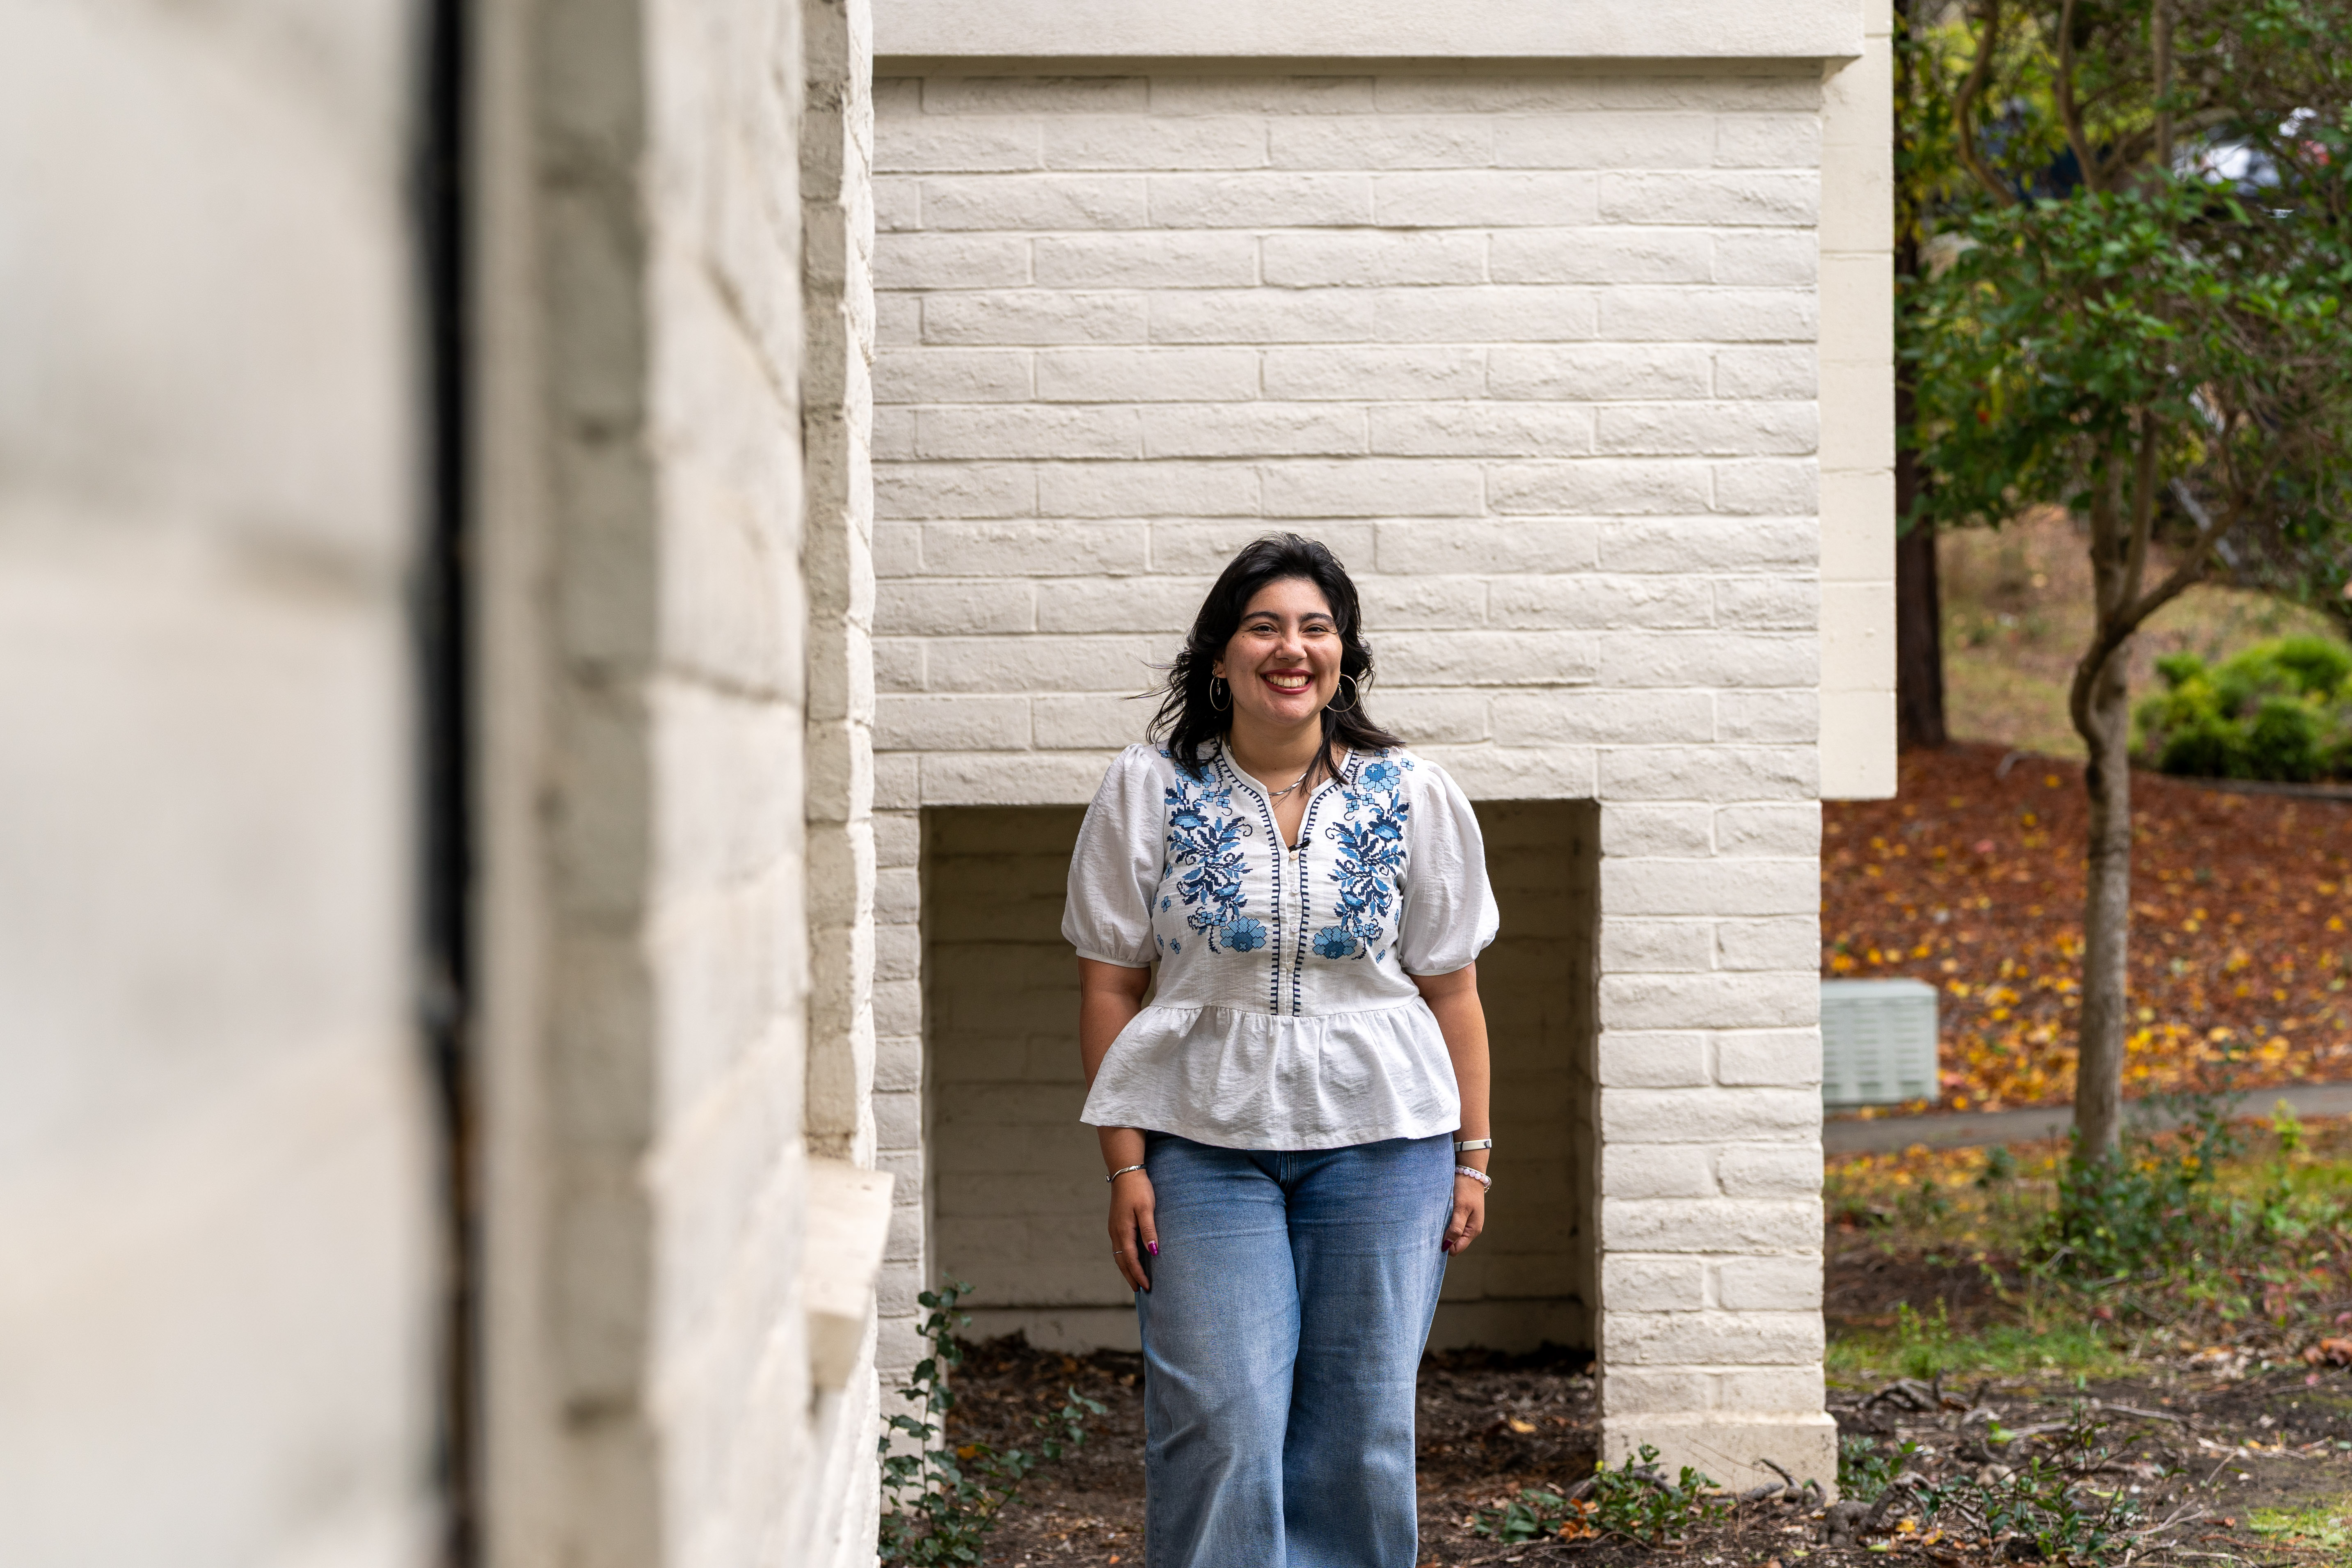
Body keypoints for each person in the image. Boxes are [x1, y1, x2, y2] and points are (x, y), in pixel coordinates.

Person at [1062, 533, 1499, 1567]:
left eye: (1315, 627)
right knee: (1217, 1424)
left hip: (1389, 1147)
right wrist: (1123, 1163)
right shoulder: (1149, 787)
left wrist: (1473, 1156)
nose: (1290, 647)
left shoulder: (1412, 793)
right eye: (1263, 626)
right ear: (1219, 657)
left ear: (1343, 654)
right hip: (1199, 1147)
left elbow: (1453, 989)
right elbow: (1110, 984)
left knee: (1360, 1437)